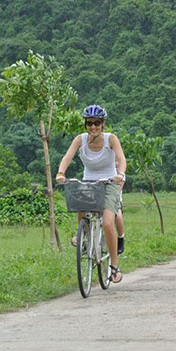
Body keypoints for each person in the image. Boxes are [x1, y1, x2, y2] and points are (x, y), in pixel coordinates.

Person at [56, 105, 126, 283]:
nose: (93, 127)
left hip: (109, 182)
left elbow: (121, 158)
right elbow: (67, 157)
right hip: (88, 181)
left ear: (103, 124)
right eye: (89, 123)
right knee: (79, 201)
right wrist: (61, 173)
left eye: (96, 123)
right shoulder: (80, 139)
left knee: (109, 223)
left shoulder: (111, 139)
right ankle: (84, 236)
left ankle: (114, 267)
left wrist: (120, 174)